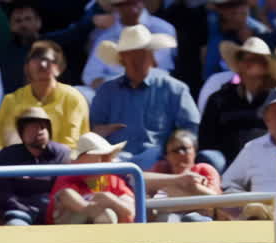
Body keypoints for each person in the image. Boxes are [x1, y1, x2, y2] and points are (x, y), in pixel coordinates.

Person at [89, 24, 199, 170]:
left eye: (141, 53)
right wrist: (100, 135)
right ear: (122, 58)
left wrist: (171, 152)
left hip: (161, 162)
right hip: (115, 161)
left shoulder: (175, 89)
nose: (136, 59)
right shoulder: (106, 91)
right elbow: (93, 131)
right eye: (130, 54)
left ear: (151, 56)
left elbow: (189, 131)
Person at [199, 39, 276, 171]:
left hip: (268, 165)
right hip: (227, 165)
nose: (248, 63)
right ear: (238, 64)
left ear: (265, 66)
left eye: (255, 59)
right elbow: (206, 140)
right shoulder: (219, 99)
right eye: (244, 59)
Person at [0, 41, 90, 155]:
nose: (42, 64)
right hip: (19, 165)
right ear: (27, 67)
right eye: (36, 59)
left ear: (59, 67)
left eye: (49, 60)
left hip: (62, 165)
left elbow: (70, 145)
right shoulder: (11, 100)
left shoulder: (73, 98)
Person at [0, 106, 71, 226]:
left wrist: (48, 207)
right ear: (21, 132)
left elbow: (63, 189)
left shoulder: (62, 153)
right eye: (33, 126)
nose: (40, 131)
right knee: (15, 226)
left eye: (43, 126)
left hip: (53, 212)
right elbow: (3, 193)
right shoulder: (7, 156)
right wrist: (21, 208)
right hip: (19, 211)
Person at [82, 0, 178, 90]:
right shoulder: (106, 36)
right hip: (114, 94)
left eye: (135, 1)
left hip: (153, 93)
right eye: (125, 3)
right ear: (116, 7)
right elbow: (90, 76)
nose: (132, 7)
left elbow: (163, 71)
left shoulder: (163, 30)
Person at [48, 132, 135, 225]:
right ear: (81, 158)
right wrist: (88, 208)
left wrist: (110, 200)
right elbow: (64, 197)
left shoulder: (114, 181)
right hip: (67, 236)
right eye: (102, 156)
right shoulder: (67, 178)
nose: (107, 161)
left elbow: (130, 211)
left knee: (107, 215)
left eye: (108, 156)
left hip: (114, 236)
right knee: (105, 215)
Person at [148, 129, 222, 221]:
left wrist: (193, 186)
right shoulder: (161, 170)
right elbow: (138, 182)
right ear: (167, 156)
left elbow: (217, 203)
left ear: (194, 150)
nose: (181, 154)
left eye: (184, 149)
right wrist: (179, 181)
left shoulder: (204, 169)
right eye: (175, 151)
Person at [203, 0, 271, 81]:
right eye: (230, 5)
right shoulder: (208, 26)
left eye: (242, 3)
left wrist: (248, 43)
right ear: (219, 9)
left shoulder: (261, 32)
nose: (238, 9)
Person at [0, 2, 43, 94]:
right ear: (10, 25)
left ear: (38, 22)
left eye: (28, 19)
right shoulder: (4, 57)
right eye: (18, 21)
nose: (23, 24)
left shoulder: (54, 46)